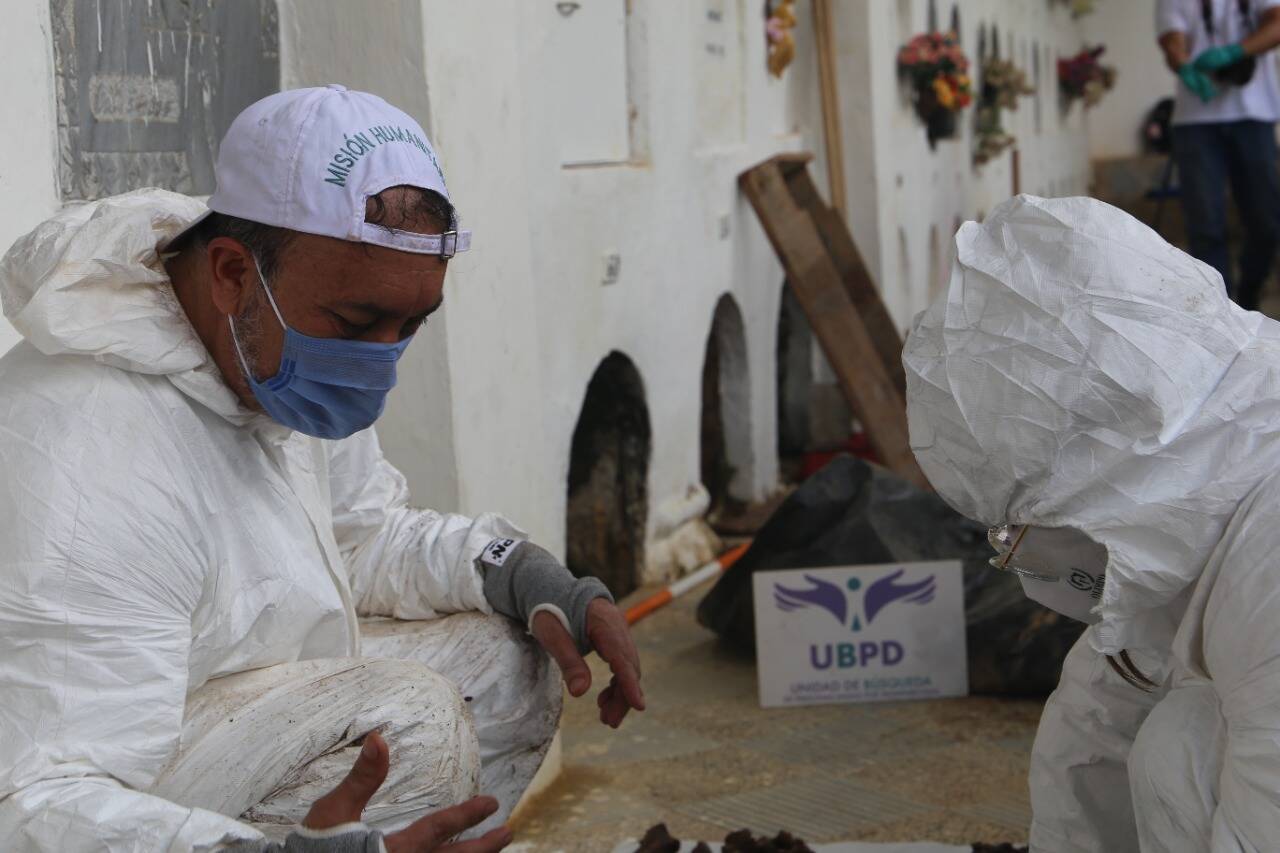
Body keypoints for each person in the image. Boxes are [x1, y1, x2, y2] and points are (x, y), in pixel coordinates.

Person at [0, 85, 644, 852]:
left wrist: (527, 574)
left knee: (507, 655)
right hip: (93, 794)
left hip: (226, 711)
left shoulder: (265, 356)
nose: (380, 358)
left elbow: (357, 536)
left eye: (410, 325)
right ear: (233, 272)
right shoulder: (89, 453)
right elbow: (34, 799)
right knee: (417, 715)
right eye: (356, 322)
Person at [905, 193, 1280, 850]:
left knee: (1181, 747)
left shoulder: (1267, 564)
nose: (1019, 557)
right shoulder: (1212, 475)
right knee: (1170, 734)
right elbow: (1099, 718)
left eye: (1015, 530)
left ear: (1088, 483)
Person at [1157, 0, 1280, 310]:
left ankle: (1250, 293)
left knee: (1267, 223)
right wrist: (1184, 65)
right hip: (1196, 121)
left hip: (1254, 116)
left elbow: (1276, 23)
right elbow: (1173, 42)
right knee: (1205, 227)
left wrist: (1238, 51)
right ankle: (1221, 312)